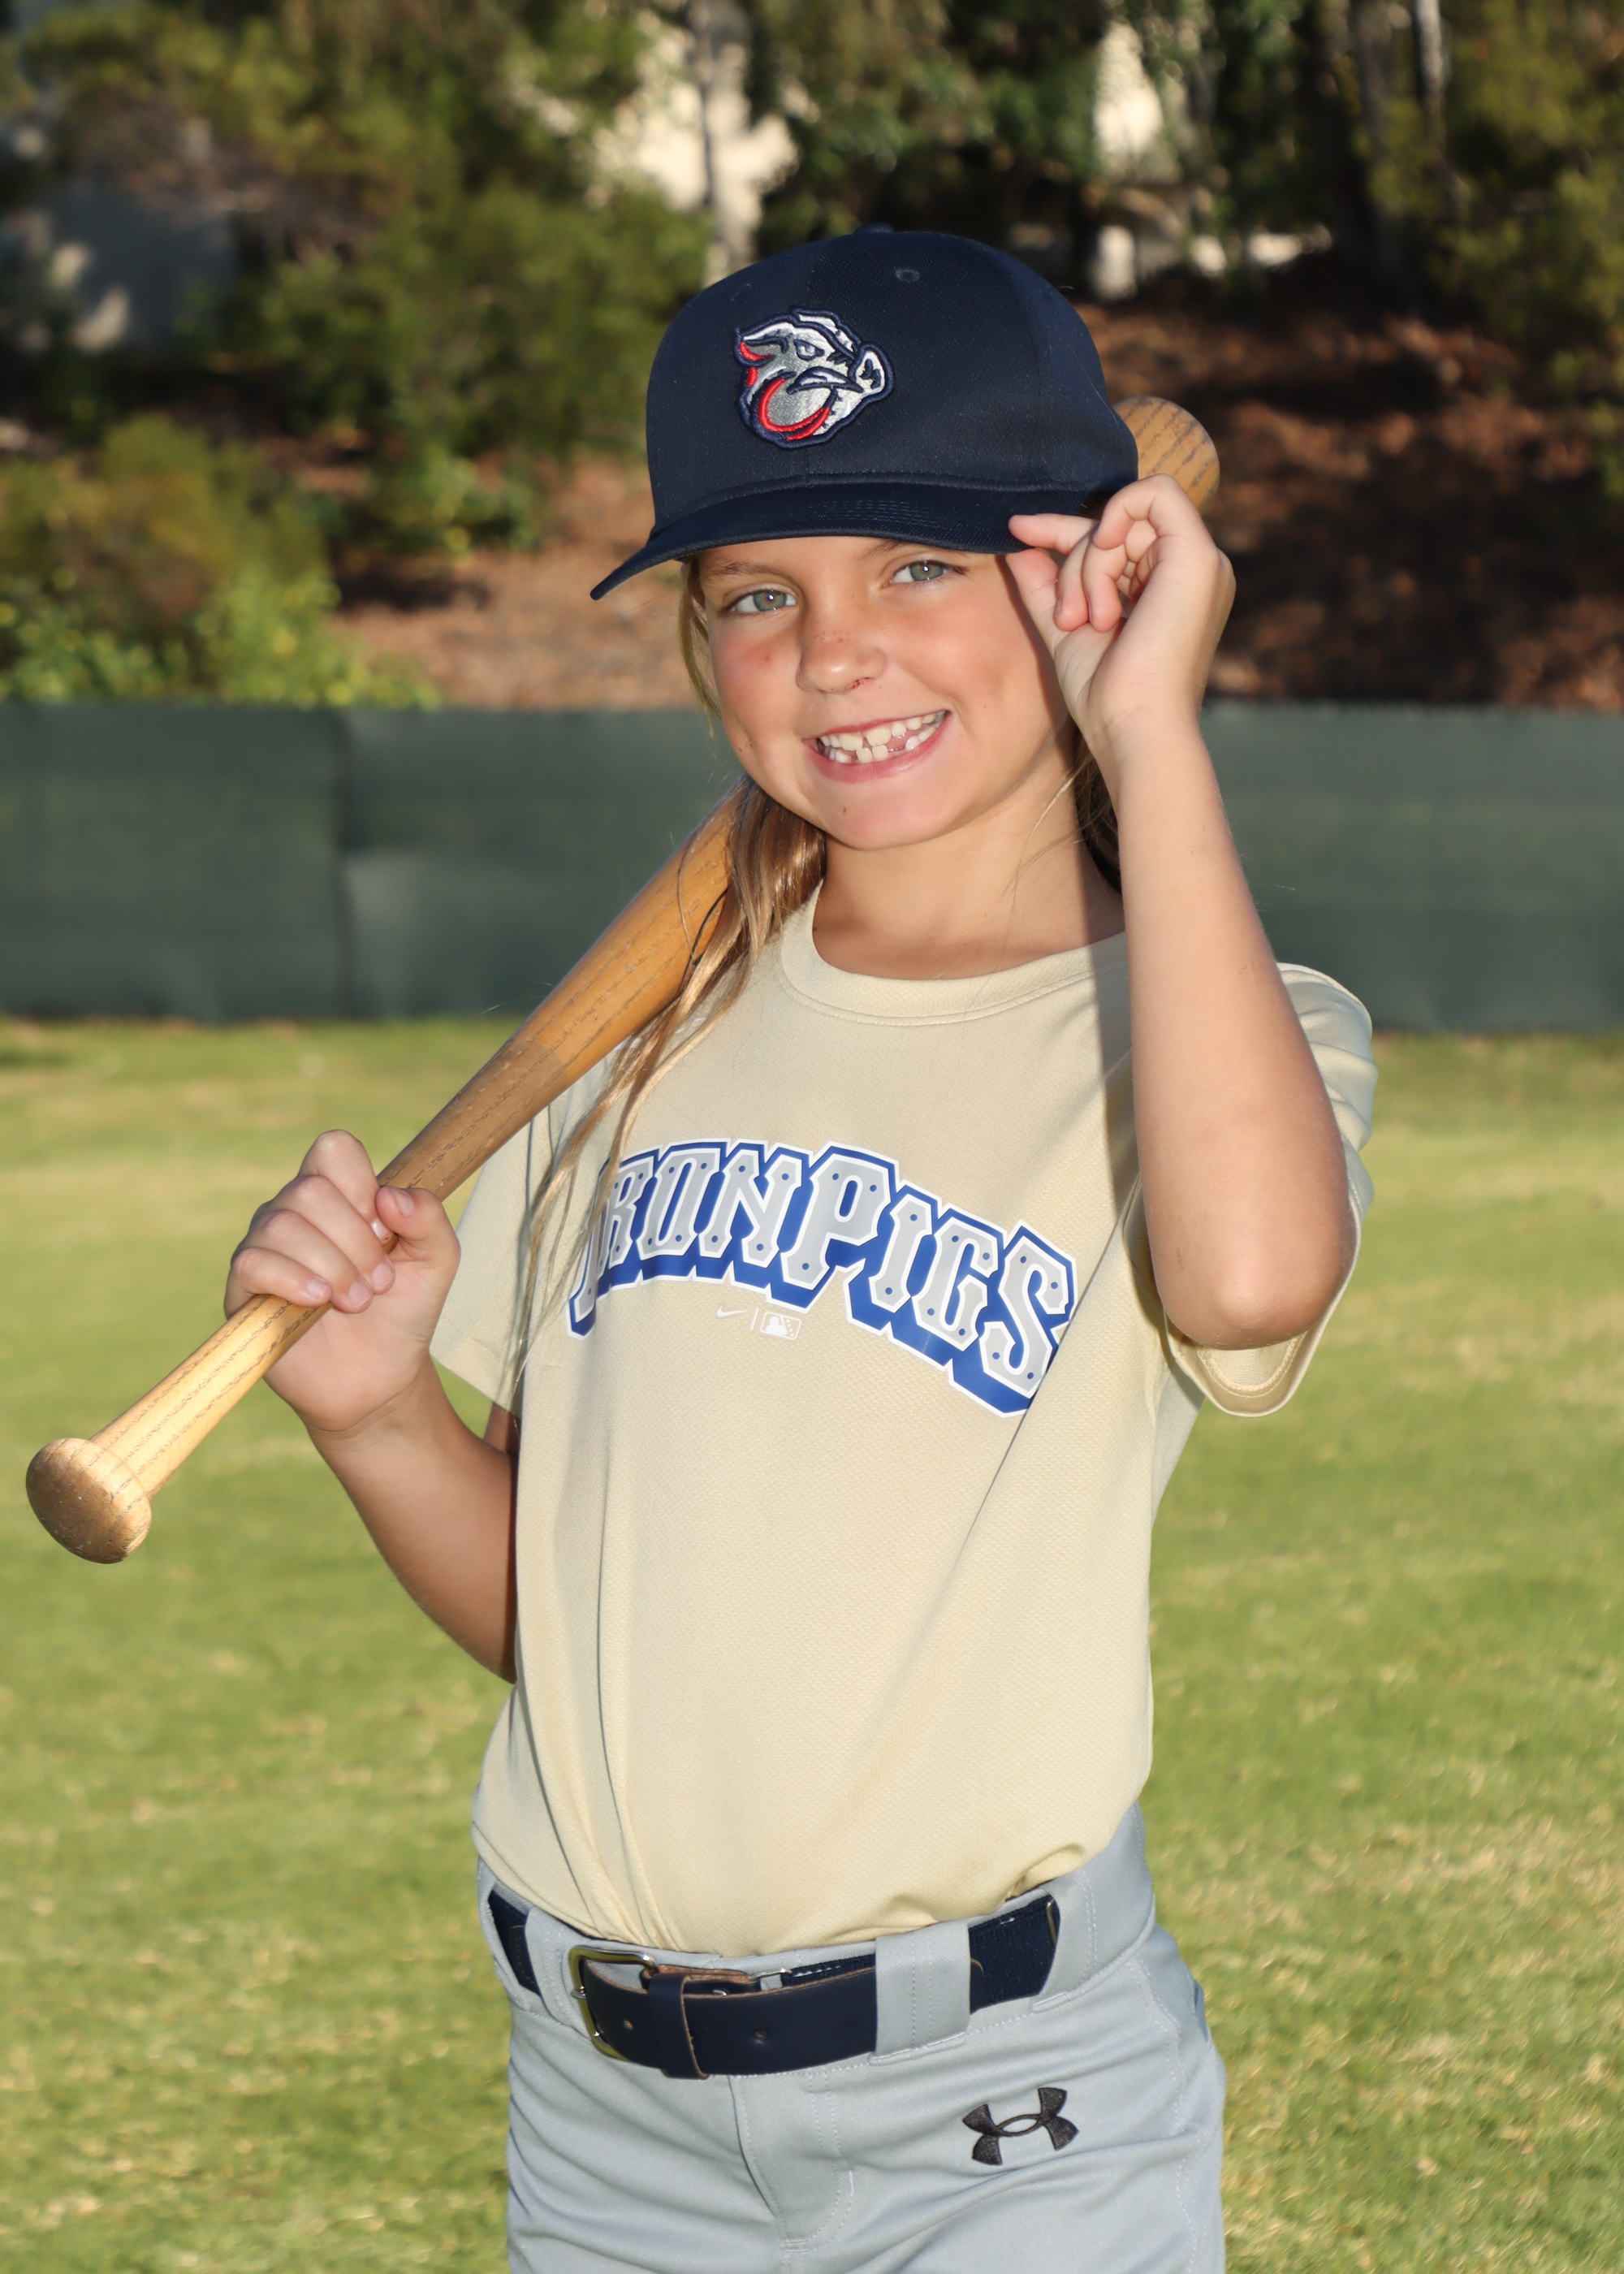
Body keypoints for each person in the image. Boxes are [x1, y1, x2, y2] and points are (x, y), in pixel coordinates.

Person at [227, 230, 1375, 2272]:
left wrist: (1152, 735)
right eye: (758, 594)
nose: (834, 652)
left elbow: (1250, 1280)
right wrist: (379, 1410)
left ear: (1083, 582)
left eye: (919, 566)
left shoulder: (1210, 1026)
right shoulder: (637, 1038)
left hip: (1007, 2118)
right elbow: (568, 1626)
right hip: (610, 2129)